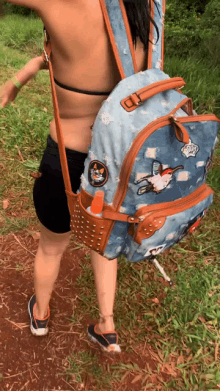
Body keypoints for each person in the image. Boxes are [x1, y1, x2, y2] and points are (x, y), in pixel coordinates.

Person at [1, 0, 158, 352]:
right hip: (119, 159)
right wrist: (26, 71)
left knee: (51, 247)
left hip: (66, 158)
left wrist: (19, 78)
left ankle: (40, 315)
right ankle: (107, 326)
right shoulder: (148, 8)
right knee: (105, 242)